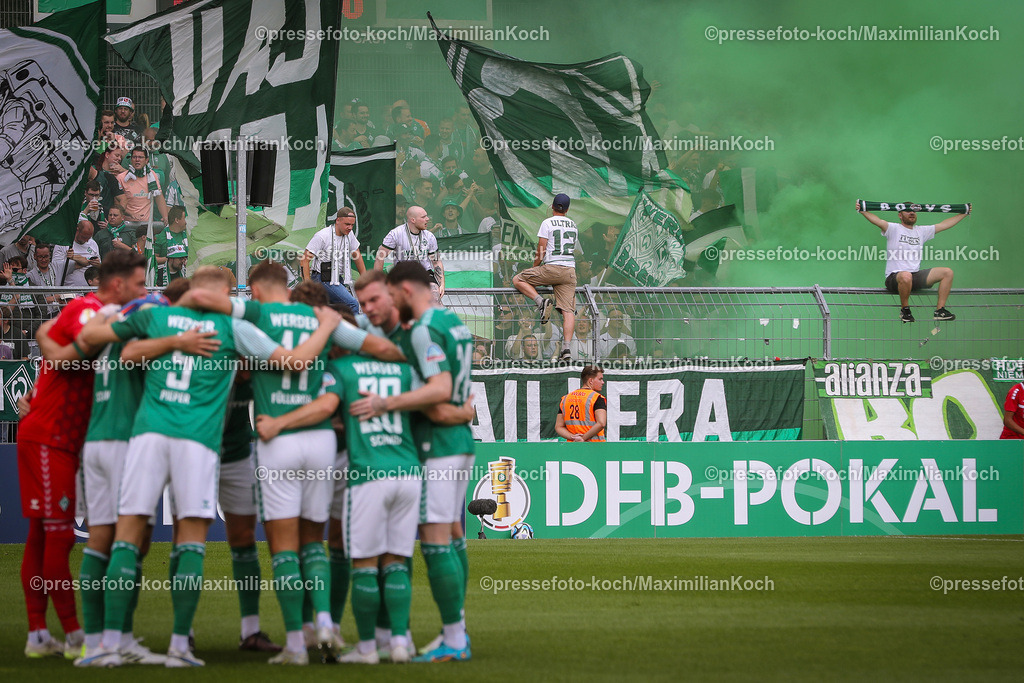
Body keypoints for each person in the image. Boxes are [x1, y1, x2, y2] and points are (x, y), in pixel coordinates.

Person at [75, 265, 342, 667]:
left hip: (149, 435)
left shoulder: (155, 316)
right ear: (226, 293)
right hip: (197, 442)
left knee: (127, 537)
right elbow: (293, 361)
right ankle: (180, 646)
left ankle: (108, 644)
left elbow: (122, 351)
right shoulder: (233, 327)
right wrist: (326, 328)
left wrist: (172, 340)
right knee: (191, 541)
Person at [17, 249, 149, 660]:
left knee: (41, 537)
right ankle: (75, 633)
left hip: (62, 439)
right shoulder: (92, 309)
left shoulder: (90, 311)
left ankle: (39, 633)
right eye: (140, 285)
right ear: (117, 285)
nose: (144, 292)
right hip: (49, 436)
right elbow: (80, 336)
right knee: (56, 537)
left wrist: (47, 341)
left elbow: (47, 333)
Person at [351, 261, 475, 663]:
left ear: (404, 289)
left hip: (436, 445)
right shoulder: (453, 320)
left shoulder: (422, 329)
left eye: (387, 293)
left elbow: (438, 392)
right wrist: (461, 412)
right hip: (459, 442)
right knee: (454, 533)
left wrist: (387, 402)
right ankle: (455, 628)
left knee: (436, 538)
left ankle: (455, 637)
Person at [857, 201, 968, 323]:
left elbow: (944, 224)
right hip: (894, 277)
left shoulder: (921, 231)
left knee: (947, 272)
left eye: (914, 211)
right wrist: (863, 210)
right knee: (906, 275)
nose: (911, 213)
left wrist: (963, 213)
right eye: (908, 211)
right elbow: (877, 221)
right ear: (900, 215)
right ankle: (905, 310)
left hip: (914, 276)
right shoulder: (893, 228)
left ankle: (940, 311)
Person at [512, 193, 578, 361]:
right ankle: (567, 349)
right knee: (568, 311)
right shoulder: (573, 225)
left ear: (552, 207)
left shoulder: (547, 222)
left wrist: (535, 268)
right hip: (569, 270)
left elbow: (542, 247)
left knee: (517, 279)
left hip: (551, 267)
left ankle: (541, 302)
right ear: (568, 209)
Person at [301, 207, 365, 314]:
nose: (350, 228)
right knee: (352, 304)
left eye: (352, 225)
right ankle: (354, 330)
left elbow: (356, 254)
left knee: (338, 310)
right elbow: (304, 260)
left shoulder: (350, 234)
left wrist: (365, 278)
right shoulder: (322, 236)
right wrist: (308, 285)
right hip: (322, 278)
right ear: (338, 220)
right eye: (347, 224)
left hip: (336, 277)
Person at [376, 206, 445, 303]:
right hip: (403, 274)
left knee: (434, 296)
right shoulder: (395, 234)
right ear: (413, 220)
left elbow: (437, 262)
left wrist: (441, 285)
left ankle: (434, 316)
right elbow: (380, 257)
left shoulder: (429, 236)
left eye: (427, 216)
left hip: (424, 273)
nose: (428, 219)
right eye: (423, 217)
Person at [555, 365, 607, 442]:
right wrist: (583, 438)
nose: (603, 382)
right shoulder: (597, 398)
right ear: (591, 381)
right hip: (595, 448)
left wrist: (573, 437)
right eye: (600, 379)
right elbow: (601, 423)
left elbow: (558, 427)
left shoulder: (565, 399)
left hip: (574, 447)